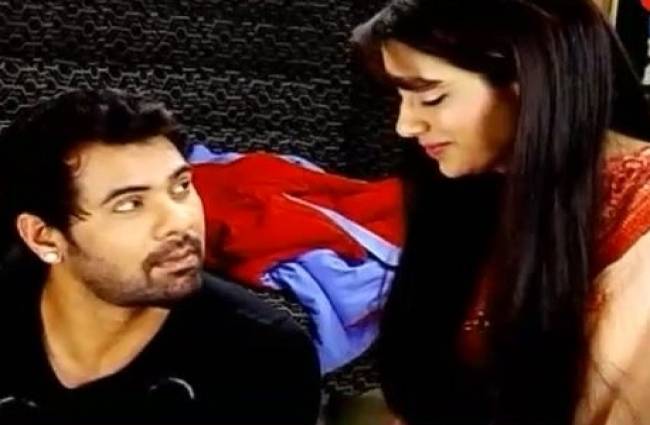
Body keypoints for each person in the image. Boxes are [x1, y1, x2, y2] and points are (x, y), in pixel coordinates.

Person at [352, 0, 650, 424]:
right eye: (401, 97)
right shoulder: (475, 183)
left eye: (431, 98)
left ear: (528, 81)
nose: (405, 125)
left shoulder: (641, 236)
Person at [0, 89, 321, 424]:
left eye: (181, 187)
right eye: (130, 204)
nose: (180, 221)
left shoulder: (264, 355)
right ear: (43, 237)